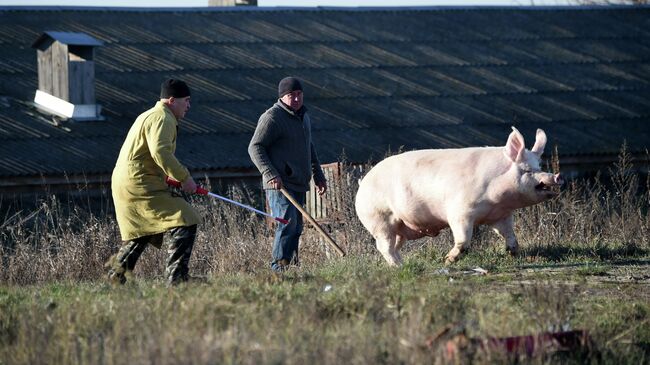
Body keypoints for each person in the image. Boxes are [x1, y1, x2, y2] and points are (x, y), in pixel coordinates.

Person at [107, 78, 201, 285]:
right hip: (139, 184)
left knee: (142, 232)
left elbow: (148, 155)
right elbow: (160, 151)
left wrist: (166, 177)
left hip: (128, 182)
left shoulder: (150, 115)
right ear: (171, 100)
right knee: (186, 218)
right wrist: (184, 178)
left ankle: (115, 278)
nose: (188, 106)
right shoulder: (163, 118)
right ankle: (176, 279)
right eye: (186, 100)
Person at [248, 76, 327, 273]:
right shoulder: (272, 117)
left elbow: (309, 147)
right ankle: (278, 269)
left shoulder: (303, 117)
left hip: (299, 181)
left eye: (299, 94)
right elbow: (255, 147)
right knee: (287, 224)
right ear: (282, 97)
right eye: (291, 95)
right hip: (279, 184)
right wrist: (270, 173)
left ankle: (291, 267)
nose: (297, 99)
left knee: (297, 227)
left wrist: (318, 175)